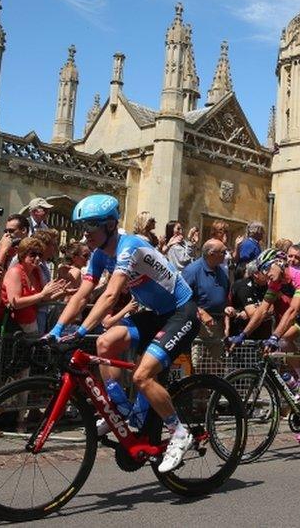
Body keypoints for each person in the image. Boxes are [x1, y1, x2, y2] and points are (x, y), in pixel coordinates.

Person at [50, 194, 199, 473]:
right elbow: (82, 295)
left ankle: (179, 432)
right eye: (83, 228)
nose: (86, 234)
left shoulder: (129, 246)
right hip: (155, 315)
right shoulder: (98, 255)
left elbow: (109, 295)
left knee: (142, 376)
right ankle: (118, 409)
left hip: (181, 312)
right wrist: (56, 330)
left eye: (91, 227)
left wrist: (81, 331)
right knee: (105, 343)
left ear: (109, 226)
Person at [227, 247, 300, 443]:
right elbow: (262, 310)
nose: (266, 274)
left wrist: (273, 336)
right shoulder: (276, 283)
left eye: (267, 269)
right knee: (284, 340)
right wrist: (242, 334)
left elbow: (292, 311)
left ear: (279, 263)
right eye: (263, 271)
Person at [0, 236, 65, 335]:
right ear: (22, 255)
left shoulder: (36, 272)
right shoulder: (15, 272)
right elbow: (15, 303)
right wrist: (42, 295)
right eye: (33, 255)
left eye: (40, 254)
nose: (37, 258)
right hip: (13, 328)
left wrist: (61, 294)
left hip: (31, 324)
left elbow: (42, 299)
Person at [182, 239, 231, 372]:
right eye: (223, 252)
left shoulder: (221, 272)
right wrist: (201, 312)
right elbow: (181, 298)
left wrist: (226, 308)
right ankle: (194, 391)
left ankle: (210, 392)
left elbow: (225, 297)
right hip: (199, 326)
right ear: (211, 254)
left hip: (217, 326)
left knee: (216, 365)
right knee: (197, 365)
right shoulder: (192, 271)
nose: (226, 255)